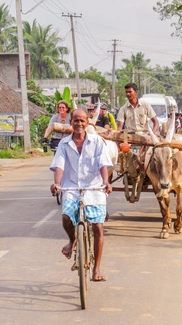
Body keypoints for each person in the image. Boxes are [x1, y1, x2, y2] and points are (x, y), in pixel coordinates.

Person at [50, 108, 113, 282]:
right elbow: (59, 166)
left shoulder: (97, 142)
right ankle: (72, 241)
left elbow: (103, 164)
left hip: (94, 187)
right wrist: (57, 183)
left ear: (88, 123)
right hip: (71, 187)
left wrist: (106, 182)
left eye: (82, 121)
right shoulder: (64, 144)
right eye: (76, 120)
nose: (79, 124)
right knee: (65, 218)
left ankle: (96, 269)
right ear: (71, 122)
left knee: (98, 227)